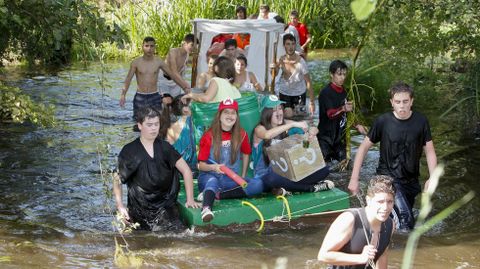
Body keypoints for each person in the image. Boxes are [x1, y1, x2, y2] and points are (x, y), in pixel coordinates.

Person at [348, 82, 438, 231]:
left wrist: (432, 177)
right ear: (392, 102)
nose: (401, 106)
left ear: (411, 101)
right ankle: (402, 251)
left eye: (405, 101)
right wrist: (354, 178)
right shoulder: (383, 121)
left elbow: (429, 151)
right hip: (387, 180)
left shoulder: (421, 121)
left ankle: (380, 236)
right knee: (406, 220)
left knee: (398, 218)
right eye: (397, 102)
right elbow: (363, 148)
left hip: (411, 181)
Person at [113, 106, 200, 231]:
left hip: (165, 205)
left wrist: (190, 199)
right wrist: (120, 206)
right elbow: (117, 179)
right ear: (140, 126)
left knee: (180, 235)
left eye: (156, 124)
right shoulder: (129, 151)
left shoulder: (165, 147)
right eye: (149, 125)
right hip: (140, 209)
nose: (154, 128)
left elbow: (186, 170)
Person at [197, 98, 264, 222]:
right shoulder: (208, 135)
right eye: (226, 112)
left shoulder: (241, 134)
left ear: (237, 116)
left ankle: (218, 196)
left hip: (229, 180)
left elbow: (246, 153)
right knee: (212, 181)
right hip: (209, 176)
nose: (230, 115)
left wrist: (242, 176)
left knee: (257, 184)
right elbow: (200, 165)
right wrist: (214, 167)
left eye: (233, 113)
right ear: (220, 116)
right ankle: (206, 208)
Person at [252, 95, 333, 195]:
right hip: (265, 176)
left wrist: (311, 132)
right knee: (272, 178)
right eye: (274, 110)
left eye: (280, 108)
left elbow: (310, 129)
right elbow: (267, 135)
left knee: (324, 170)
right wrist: (292, 124)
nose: (279, 112)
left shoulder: (285, 123)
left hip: (286, 175)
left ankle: (285, 189)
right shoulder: (259, 129)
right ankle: (310, 188)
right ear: (266, 113)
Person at [318, 175, 395, 269]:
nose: (385, 208)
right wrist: (360, 258)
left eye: (390, 202)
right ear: (368, 200)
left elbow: (382, 255)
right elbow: (323, 255)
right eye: (380, 202)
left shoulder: (390, 224)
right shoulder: (349, 219)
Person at [119, 36, 190, 119]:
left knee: (156, 122)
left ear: (155, 47)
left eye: (152, 46)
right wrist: (123, 95)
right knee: (138, 123)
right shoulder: (136, 63)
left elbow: (173, 75)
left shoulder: (158, 62)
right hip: (140, 97)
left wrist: (184, 87)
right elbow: (128, 79)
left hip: (154, 97)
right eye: (147, 46)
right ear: (142, 47)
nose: (149, 49)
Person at [317, 60, 367, 164]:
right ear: (331, 74)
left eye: (344, 74)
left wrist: (357, 125)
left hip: (339, 139)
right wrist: (343, 108)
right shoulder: (325, 93)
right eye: (339, 74)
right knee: (327, 168)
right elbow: (330, 114)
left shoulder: (345, 91)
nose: (342, 77)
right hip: (325, 139)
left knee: (345, 165)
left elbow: (349, 114)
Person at [273, 34, 314, 118]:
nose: (291, 47)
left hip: (299, 94)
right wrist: (273, 68)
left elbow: (308, 82)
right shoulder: (281, 60)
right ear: (284, 45)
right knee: (287, 115)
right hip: (284, 93)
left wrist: (312, 102)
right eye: (288, 44)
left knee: (299, 118)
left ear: (295, 45)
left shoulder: (301, 62)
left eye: (293, 44)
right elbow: (274, 74)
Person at [158, 34, 196, 105]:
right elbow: (174, 72)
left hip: (176, 82)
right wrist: (186, 86)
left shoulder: (187, 55)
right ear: (185, 43)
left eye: (195, 46)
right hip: (164, 80)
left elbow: (181, 73)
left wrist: (185, 89)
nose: (193, 48)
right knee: (167, 102)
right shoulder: (173, 52)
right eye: (192, 45)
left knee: (176, 105)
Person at [165, 95, 197, 173]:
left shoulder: (170, 129)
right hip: (195, 169)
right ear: (185, 110)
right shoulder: (195, 123)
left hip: (177, 171)